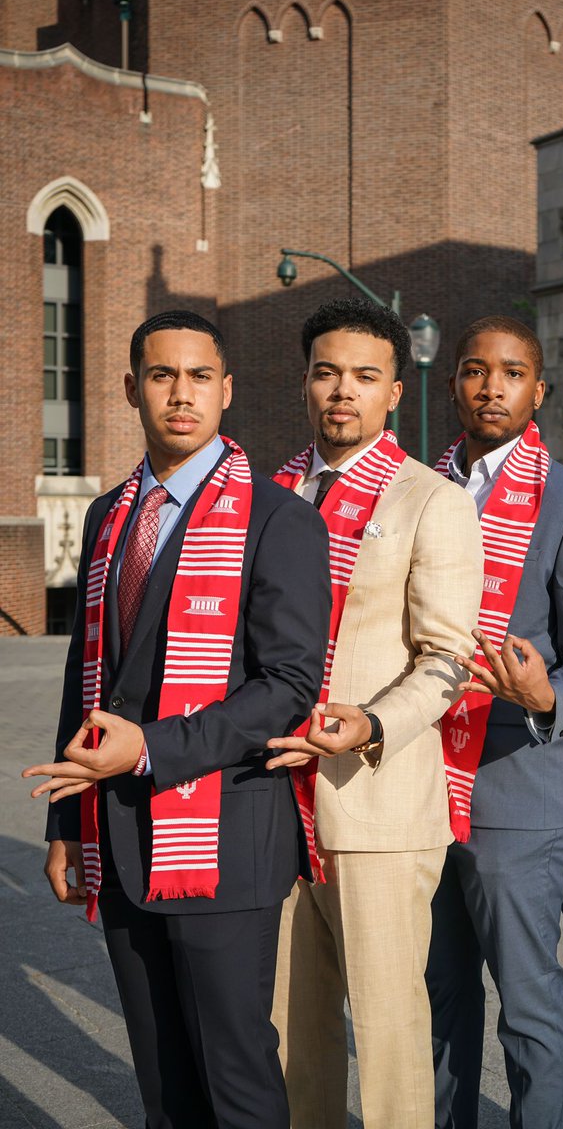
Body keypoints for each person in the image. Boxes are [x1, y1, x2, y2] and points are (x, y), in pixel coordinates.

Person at [22, 309, 331, 1129]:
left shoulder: (278, 518)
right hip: (117, 834)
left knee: (236, 1081)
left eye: (200, 377)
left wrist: (150, 750)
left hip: (224, 837)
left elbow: (290, 685)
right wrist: (66, 821)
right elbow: (84, 680)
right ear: (132, 388)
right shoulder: (109, 517)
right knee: (163, 1087)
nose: (181, 395)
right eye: (162, 376)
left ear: (227, 392)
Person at [267, 298, 484, 1129]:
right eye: (327, 374)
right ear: (306, 385)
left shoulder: (432, 500)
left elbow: (449, 660)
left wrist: (373, 722)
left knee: (390, 1034)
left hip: (377, 803)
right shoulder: (267, 493)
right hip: (271, 801)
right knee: (290, 1032)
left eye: (364, 377)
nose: (342, 392)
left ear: (395, 391)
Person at [425, 316, 563, 1129]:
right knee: (438, 1001)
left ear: (539, 391)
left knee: (529, 1004)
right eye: (476, 370)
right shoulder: (418, 489)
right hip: (421, 780)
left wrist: (548, 699)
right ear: (454, 385)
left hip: (518, 791)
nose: (492, 386)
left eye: (512, 373)